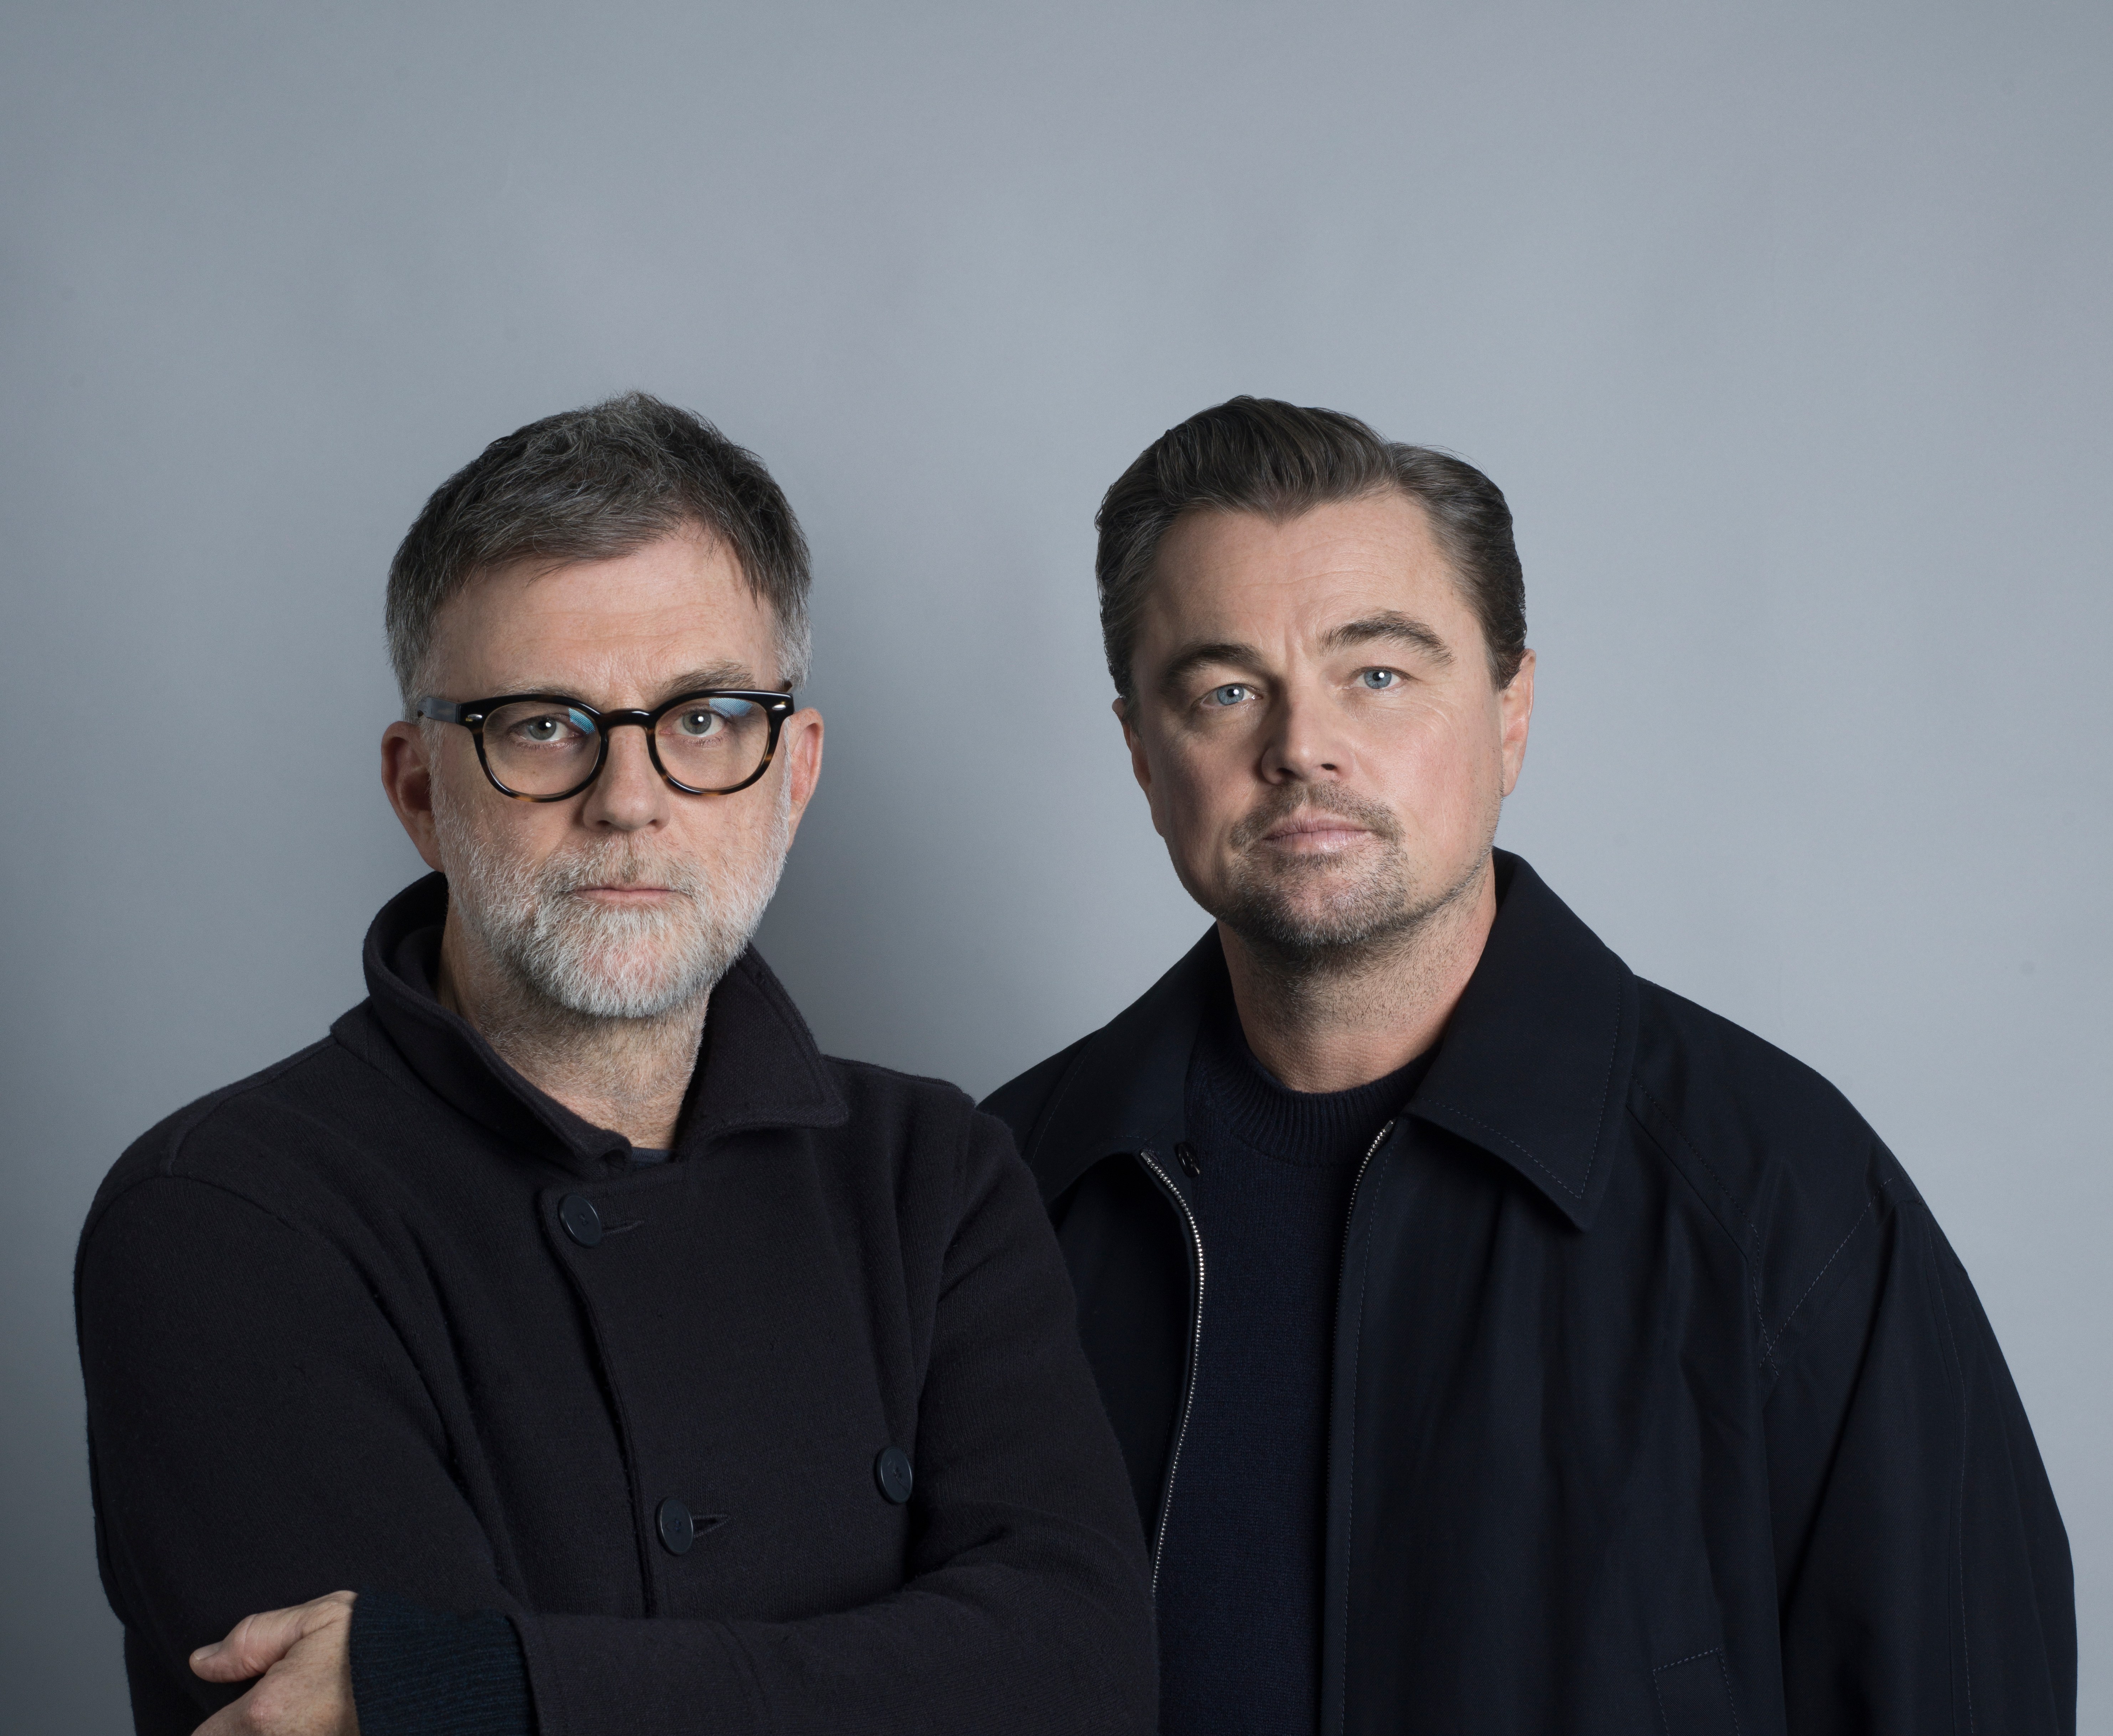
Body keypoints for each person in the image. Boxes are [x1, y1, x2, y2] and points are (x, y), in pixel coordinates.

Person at [984, 396, 2076, 1736]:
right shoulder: (998, 1202)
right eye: (1224, 691)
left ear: (1511, 715)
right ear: (1146, 758)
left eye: (1377, 673)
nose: (1301, 746)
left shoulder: (1780, 1199)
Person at [75, 393, 1156, 1736]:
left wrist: (496, 1686)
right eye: (542, 725)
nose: (629, 797)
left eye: (703, 719)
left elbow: (1082, 1675)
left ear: (794, 772)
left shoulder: (932, 1173)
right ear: (420, 790)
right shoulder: (228, 1215)